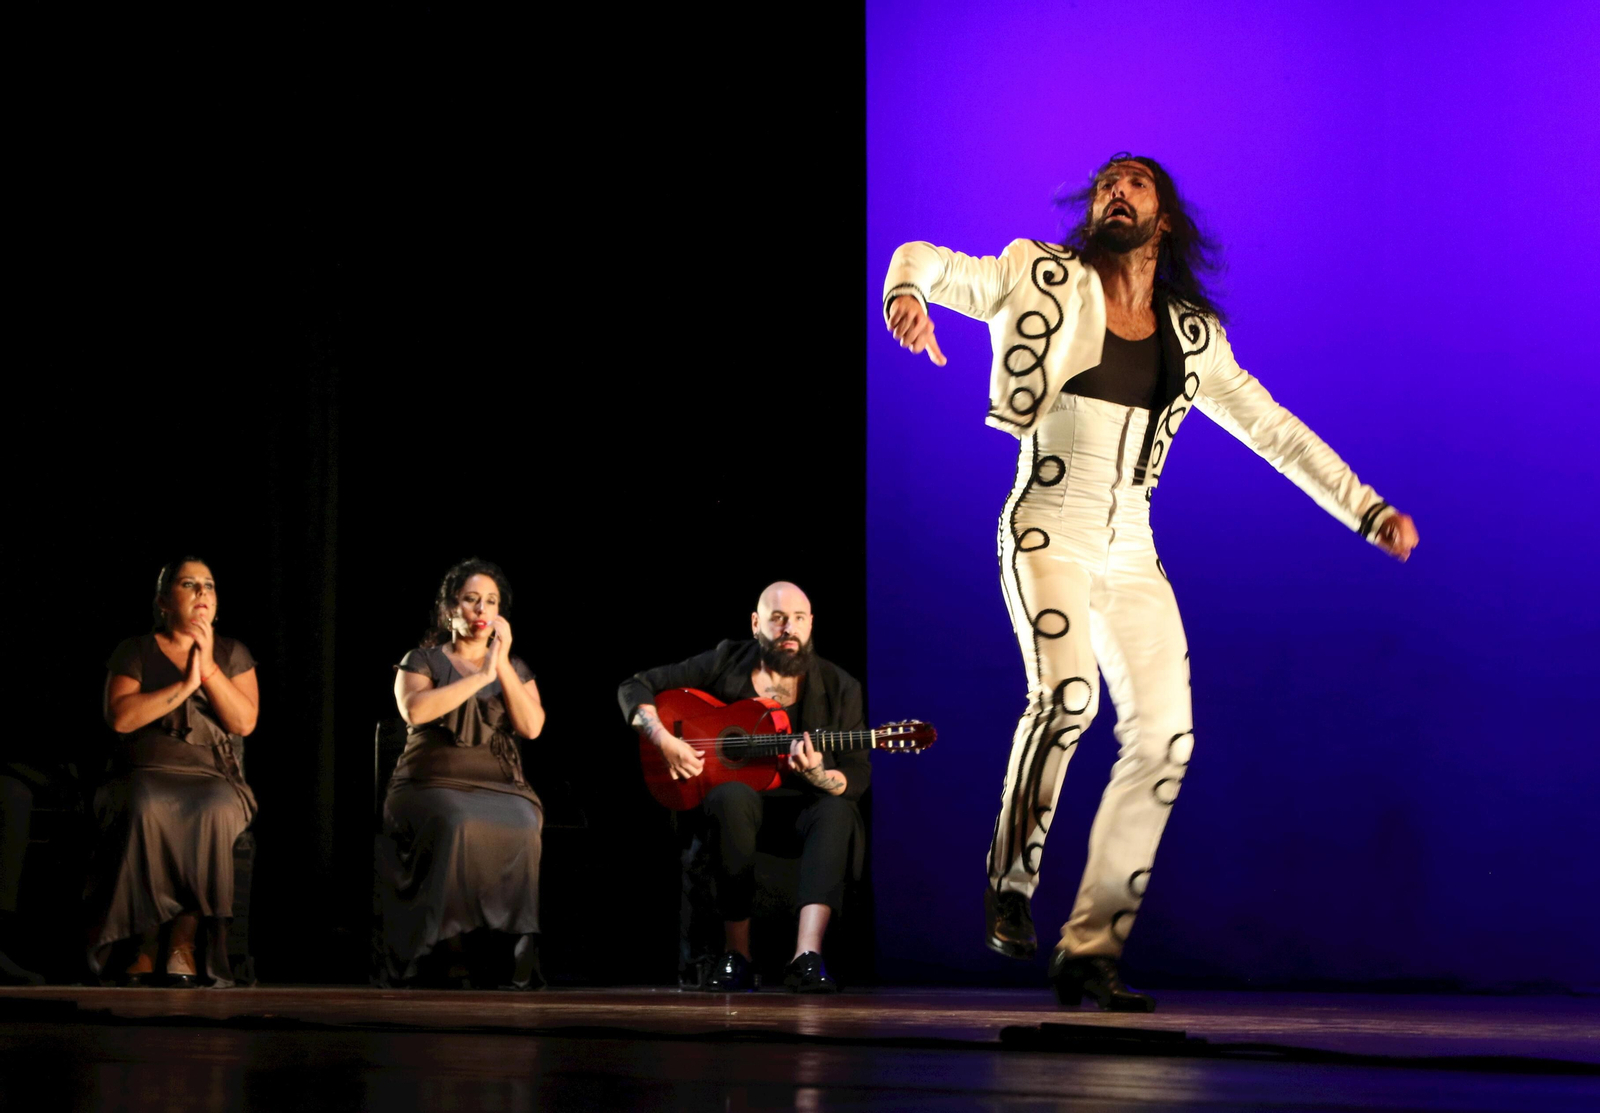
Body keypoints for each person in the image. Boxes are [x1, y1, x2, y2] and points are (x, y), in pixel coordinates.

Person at [882, 154, 1419, 1011]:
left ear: (1162, 218)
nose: (1114, 193)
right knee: (1068, 697)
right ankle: (1009, 882)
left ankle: (1090, 947)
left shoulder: (1193, 337)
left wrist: (1366, 508)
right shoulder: (1039, 276)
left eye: (1133, 184)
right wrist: (906, 297)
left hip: (1131, 545)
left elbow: (1274, 431)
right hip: (1046, 524)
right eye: (1104, 184)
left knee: (1167, 738)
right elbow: (925, 258)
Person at [618, 581, 869, 993]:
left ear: (811, 625)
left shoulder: (841, 687)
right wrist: (663, 740)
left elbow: (857, 774)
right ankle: (737, 956)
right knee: (731, 797)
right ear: (756, 624)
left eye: (799, 619)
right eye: (777, 618)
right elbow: (634, 686)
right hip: (737, 805)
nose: (789, 628)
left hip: (804, 809)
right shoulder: (726, 660)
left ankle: (806, 956)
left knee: (838, 810)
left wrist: (819, 776)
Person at [88, 557, 260, 987]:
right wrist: (184, 686)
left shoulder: (232, 653)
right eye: (190, 585)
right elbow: (122, 718)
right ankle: (143, 941)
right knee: (146, 804)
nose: (202, 593)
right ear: (165, 602)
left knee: (215, 810)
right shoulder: (135, 650)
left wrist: (207, 669)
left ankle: (184, 941)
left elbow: (244, 722)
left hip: (213, 778)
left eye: (210, 586)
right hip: (144, 771)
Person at [379, 558, 546, 989]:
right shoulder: (422, 660)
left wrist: (501, 665)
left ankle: (510, 952)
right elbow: (415, 710)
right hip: (429, 783)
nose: (480, 610)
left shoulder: (515, 668)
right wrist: (480, 676)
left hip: (500, 784)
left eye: (490, 602)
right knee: (457, 822)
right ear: (450, 609)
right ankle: (446, 949)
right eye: (471, 600)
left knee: (525, 825)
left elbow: (532, 726)